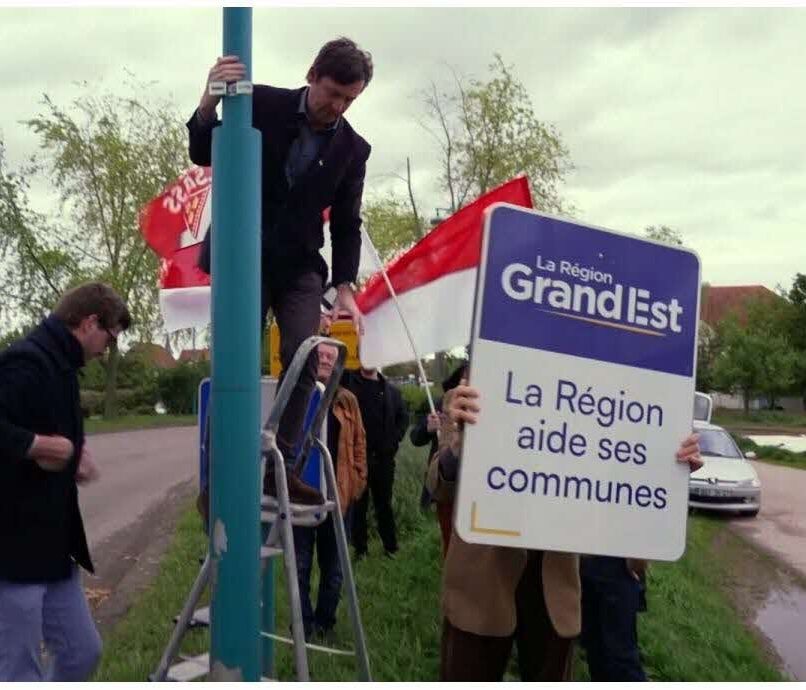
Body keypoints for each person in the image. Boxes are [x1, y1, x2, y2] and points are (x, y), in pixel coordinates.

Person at [187, 37, 373, 505]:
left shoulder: (353, 148)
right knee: (236, 356)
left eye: (350, 99)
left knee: (304, 353)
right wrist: (209, 101)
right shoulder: (262, 104)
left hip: (299, 264)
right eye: (333, 93)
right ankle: (219, 475)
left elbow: (347, 222)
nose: (338, 106)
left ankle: (280, 468)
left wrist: (345, 287)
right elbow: (203, 152)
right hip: (243, 253)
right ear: (312, 75)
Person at [427, 380, 703, 681]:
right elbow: (439, 486)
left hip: (555, 583)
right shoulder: (473, 389)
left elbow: (620, 483)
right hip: (481, 581)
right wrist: (459, 449)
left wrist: (670, 472)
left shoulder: (598, 399)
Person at [0, 282, 131, 681]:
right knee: (17, 669)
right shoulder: (25, 361)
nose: (107, 349)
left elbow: (60, 432)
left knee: (82, 652)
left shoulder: (64, 367)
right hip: (12, 548)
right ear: (89, 322)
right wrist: (36, 446)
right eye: (110, 337)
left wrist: (77, 453)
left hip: (54, 546)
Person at [293, 342, 367, 640]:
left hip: (338, 497)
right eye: (320, 355)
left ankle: (324, 625)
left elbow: (359, 442)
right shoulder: (296, 394)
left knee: (334, 570)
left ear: (338, 363)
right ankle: (303, 627)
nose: (324, 360)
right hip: (301, 497)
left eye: (330, 356)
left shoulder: (348, 400)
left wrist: (357, 482)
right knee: (298, 568)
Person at [342, 365, 408, 559]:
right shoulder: (348, 382)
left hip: (383, 459)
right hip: (357, 458)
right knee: (358, 505)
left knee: (384, 505)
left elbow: (403, 417)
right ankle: (360, 550)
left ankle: (391, 548)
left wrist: (394, 439)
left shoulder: (391, 391)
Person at [409, 362, 467, 554]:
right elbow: (415, 438)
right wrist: (428, 428)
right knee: (449, 536)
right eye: (465, 377)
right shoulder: (439, 404)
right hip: (444, 483)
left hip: (472, 487)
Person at [580, 555, 648, 681]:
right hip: (583, 561)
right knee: (597, 652)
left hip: (614, 565)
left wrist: (638, 553)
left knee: (618, 658)